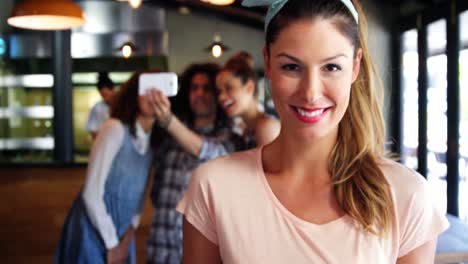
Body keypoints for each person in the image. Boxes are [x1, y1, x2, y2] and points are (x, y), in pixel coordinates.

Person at [176, 0, 449, 263]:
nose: (311, 93)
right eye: (292, 67)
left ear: (354, 66)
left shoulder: (407, 197)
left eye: (331, 67)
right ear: (268, 63)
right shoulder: (213, 187)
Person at [146, 63, 244, 264]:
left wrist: (167, 120)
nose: (199, 93)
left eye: (207, 88)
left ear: (218, 96)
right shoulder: (169, 138)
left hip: (198, 253)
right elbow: (156, 192)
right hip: (161, 247)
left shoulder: (230, 138)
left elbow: (210, 152)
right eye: (194, 87)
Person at [55, 71, 156, 264]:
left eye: (159, 90)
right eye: (146, 88)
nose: (153, 95)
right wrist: (112, 245)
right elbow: (91, 192)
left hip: (122, 231)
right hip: (93, 227)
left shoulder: (153, 141)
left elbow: (139, 197)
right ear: (134, 94)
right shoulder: (115, 128)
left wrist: (126, 237)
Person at [148, 57, 280, 155]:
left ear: (249, 87)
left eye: (228, 88)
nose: (221, 97)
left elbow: (269, 184)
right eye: (219, 91)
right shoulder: (248, 130)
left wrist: (167, 119)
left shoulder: (266, 126)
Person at [86, 72, 115, 140]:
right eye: (103, 95)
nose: (106, 98)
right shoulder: (97, 108)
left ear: (113, 89)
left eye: (107, 95)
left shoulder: (122, 105)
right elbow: (93, 132)